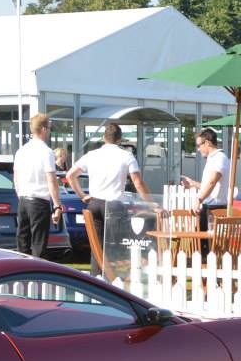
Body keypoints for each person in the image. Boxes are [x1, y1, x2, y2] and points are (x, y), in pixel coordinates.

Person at [70, 120, 151, 268]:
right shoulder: (126, 156)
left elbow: (70, 175)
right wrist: (149, 203)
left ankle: (96, 276)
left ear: (103, 138)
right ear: (119, 140)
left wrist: (82, 195)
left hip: (95, 202)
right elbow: (138, 182)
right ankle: (113, 278)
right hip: (114, 204)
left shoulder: (92, 155)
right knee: (114, 246)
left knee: (97, 246)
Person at [12, 113, 62, 258]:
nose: (50, 131)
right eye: (50, 128)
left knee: (22, 243)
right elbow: (51, 180)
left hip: (23, 200)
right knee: (38, 245)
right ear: (44, 129)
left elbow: (16, 177)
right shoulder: (46, 152)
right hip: (39, 202)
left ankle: (21, 270)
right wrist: (57, 205)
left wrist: (21, 194)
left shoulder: (21, 151)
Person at [179, 127, 229, 232]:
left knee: (206, 241)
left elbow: (212, 182)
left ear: (207, 143)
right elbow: (211, 185)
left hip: (215, 209)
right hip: (211, 208)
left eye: (199, 145)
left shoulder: (219, 158)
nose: (198, 149)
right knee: (201, 241)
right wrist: (193, 184)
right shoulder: (214, 158)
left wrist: (199, 199)